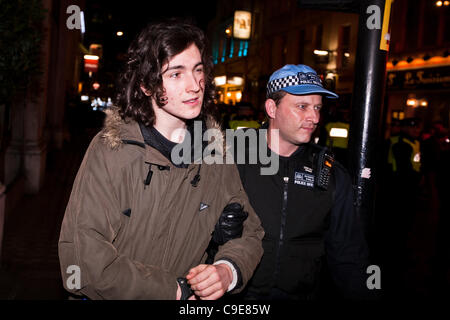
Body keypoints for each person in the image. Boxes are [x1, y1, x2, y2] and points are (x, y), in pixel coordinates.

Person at [58, 19, 264, 300]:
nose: (194, 86)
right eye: (176, 74)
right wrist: (173, 290)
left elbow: (250, 232)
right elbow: (83, 262)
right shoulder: (111, 151)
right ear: (146, 85)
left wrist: (227, 270)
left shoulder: (215, 154)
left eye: (198, 70)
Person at [235, 64, 374, 300]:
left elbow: (349, 253)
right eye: (302, 107)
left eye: (318, 107)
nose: (314, 117)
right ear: (272, 108)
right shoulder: (232, 159)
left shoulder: (330, 173)